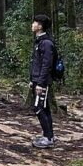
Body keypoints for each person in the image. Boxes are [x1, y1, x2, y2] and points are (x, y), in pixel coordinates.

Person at [27, 14, 56, 149]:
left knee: (38, 108)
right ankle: (49, 135)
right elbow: (36, 64)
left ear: (40, 26)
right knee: (44, 108)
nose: (32, 25)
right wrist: (32, 80)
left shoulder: (46, 43)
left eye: (34, 23)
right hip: (37, 80)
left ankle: (48, 138)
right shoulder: (39, 41)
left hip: (42, 82)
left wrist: (40, 83)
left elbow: (46, 65)